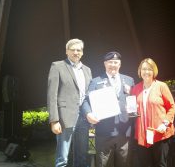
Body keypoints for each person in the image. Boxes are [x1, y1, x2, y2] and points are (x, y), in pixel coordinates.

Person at [81, 51, 135, 167]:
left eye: (116, 62)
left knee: (125, 164)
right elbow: (85, 101)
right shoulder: (95, 81)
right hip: (103, 132)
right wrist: (88, 114)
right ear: (105, 64)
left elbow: (134, 100)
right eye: (110, 62)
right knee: (103, 164)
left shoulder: (129, 80)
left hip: (124, 131)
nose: (113, 65)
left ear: (120, 64)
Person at [47, 38, 92, 167]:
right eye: (73, 50)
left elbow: (89, 95)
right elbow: (52, 95)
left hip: (84, 118)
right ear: (67, 51)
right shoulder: (58, 66)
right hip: (64, 118)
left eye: (79, 50)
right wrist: (54, 120)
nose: (76, 52)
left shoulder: (87, 70)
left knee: (82, 157)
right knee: (62, 159)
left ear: (82, 52)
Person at [130, 58, 175, 167]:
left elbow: (172, 107)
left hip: (160, 134)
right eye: (144, 69)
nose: (146, 72)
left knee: (160, 164)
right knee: (145, 164)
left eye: (150, 69)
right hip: (142, 136)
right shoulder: (135, 89)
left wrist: (165, 124)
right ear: (140, 71)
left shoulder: (161, 86)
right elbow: (132, 110)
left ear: (154, 71)